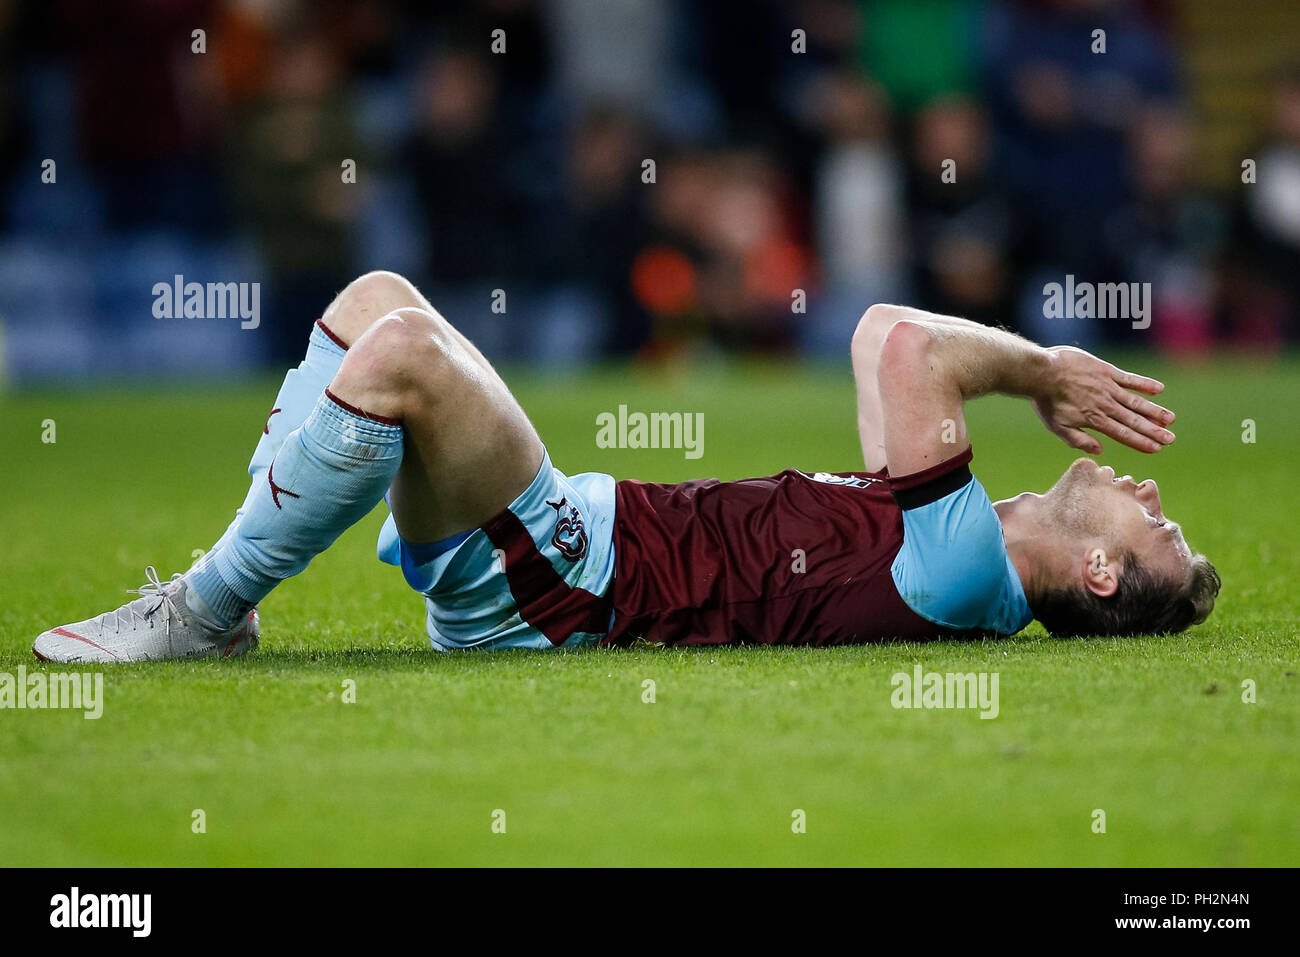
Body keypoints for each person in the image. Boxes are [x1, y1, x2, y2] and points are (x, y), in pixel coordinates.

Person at [32, 271, 1219, 662]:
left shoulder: (971, 576)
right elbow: (880, 344)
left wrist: (1040, 371)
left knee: (399, 353)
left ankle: (204, 612)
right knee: (374, 302)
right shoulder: (954, 540)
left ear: (1101, 577)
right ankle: (219, 601)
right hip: (569, 552)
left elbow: (904, 343)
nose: (1155, 493)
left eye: (1159, 530)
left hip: (567, 584)